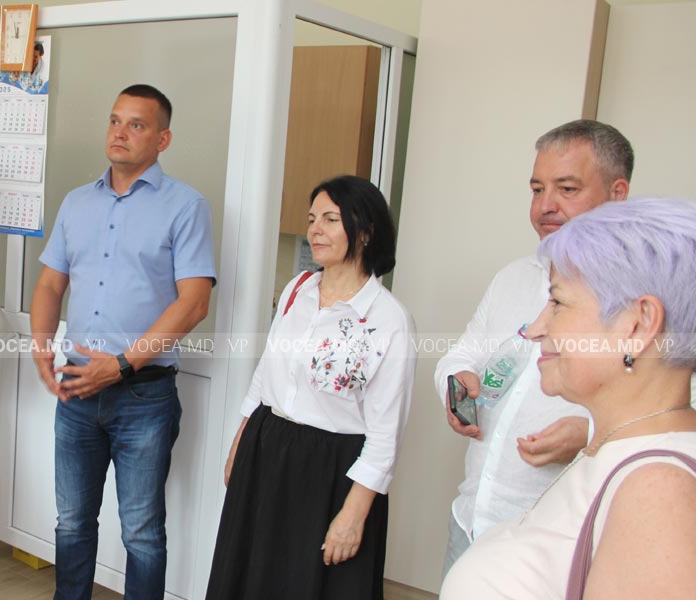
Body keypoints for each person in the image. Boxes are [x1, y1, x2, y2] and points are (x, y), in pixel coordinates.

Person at [441, 197, 696, 598]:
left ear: (639, 324)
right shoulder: (622, 449)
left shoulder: (658, 492)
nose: (535, 329)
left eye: (557, 302)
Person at [30, 84, 215, 600]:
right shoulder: (76, 202)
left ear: (162, 139)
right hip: (75, 389)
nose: (120, 132)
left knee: (141, 532)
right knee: (71, 522)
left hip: (144, 395)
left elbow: (194, 303)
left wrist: (121, 366)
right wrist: (42, 347)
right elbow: (50, 285)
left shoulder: (185, 206)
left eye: (136, 124)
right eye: (115, 120)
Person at [434, 120, 633, 577]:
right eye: (537, 189)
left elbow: (678, 411)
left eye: (567, 188)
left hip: (558, 545)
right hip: (471, 521)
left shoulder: (645, 298)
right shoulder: (514, 278)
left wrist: (590, 434)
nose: (546, 206)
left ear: (617, 193)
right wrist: (455, 383)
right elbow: (460, 356)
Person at [206, 175, 415, 599]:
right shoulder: (297, 290)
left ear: (366, 231)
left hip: (333, 471)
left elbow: (385, 434)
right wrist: (240, 442)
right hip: (267, 446)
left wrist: (353, 515)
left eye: (331, 219)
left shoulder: (388, 319)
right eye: (312, 218)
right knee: (250, 577)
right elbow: (265, 374)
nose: (316, 229)